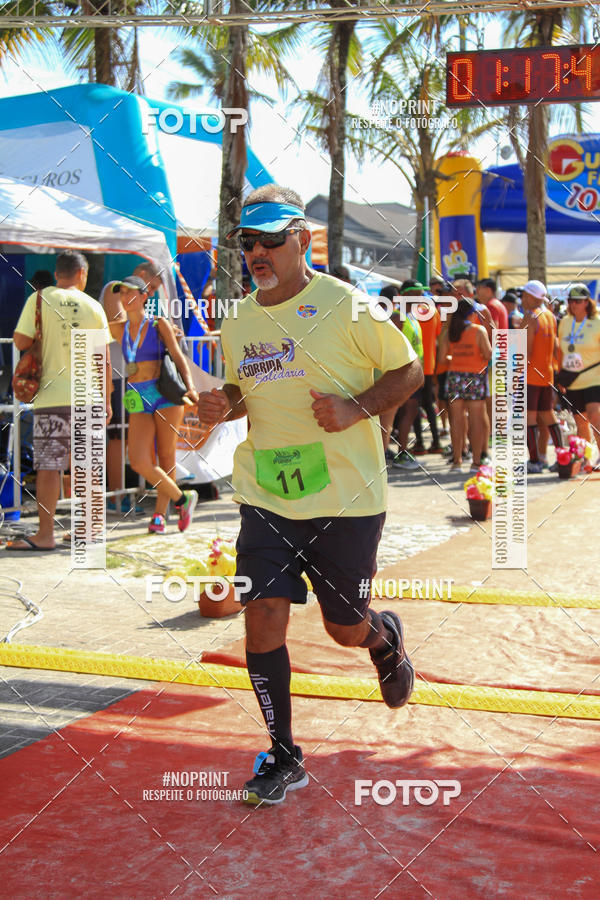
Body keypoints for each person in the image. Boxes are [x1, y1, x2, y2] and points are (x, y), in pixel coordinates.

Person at [197, 184, 423, 806]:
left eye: (272, 239)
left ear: (303, 239)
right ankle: (283, 754)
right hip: (267, 492)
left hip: (347, 496)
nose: (259, 252)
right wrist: (225, 403)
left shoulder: (348, 305)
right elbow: (245, 390)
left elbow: (410, 369)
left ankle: (383, 638)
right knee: (263, 616)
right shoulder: (239, 316)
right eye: (249, 242)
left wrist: (356, 407)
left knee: (342, 628)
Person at [9, 251, 112, 551]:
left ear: (58, 274)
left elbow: (20, 341)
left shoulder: (39, 299)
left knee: (49, 467)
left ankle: (45, 535)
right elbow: (102, 359)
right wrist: (105, 401)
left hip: (52, 397)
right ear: (82, 274)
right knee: (87, 466)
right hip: (89, 397)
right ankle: (89, 531)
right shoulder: (93, 306)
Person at [108, 274, 199, 534]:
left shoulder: (159, 324)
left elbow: (179, 357)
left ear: (145, 296)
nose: (126, 298)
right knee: (138, 460)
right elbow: (90, 330)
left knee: (166, 456)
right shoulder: (118, 327)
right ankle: (182, 499)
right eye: (122, 293)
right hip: (138, 394)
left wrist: (191, 386)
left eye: (131, 293)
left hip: (165, 392)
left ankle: (160, 514)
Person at [99, 262, 164, 514]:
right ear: (142, 275)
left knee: (127, 436)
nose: (153, 293)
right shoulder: (115, 289)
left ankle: (121, 494)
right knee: (117, 437)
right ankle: (115, 496)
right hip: (114, 374)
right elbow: (119, 323)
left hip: (130, 376)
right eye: (153, 286)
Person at [439, 298, 492, 470]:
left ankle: (457, 460)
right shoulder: (478, 331)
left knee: (456, 420)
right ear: (471, 314)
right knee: (476, 419)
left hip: (455, 377)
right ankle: (476, 461)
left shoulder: (449, 332)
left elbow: (442, 358)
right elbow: (488, 354)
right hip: (475, 377)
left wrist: (456, 358)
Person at [518, 279, 564, 474]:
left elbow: (524, 349)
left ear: (530, 296)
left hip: (530, 375)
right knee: (548, 415)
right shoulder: (550, 316)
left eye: (523, 295)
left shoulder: (530, 317)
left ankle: (535, 460)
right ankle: (563, 456)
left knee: (530, 418)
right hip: (547, 374)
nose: (522, 298)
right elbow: (557, 348)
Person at [378, 285, 423, 470]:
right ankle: (380, 462)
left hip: (411, 375)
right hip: (399, 374)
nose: (420, 298)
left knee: (408, 413)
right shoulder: (397, 317)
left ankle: (401, 452)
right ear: (405, 296)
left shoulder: (412, 317)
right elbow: (388, 347)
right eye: (416, 295)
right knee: (387, 420)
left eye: (421, 295)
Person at [557, 283, 600, 462]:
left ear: (587, 303)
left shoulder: (596, 322)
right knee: (580, 421)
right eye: (571, 301)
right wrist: (560, 376)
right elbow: (561, 350)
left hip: (594, 378)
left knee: (595, 416)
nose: (574, 304)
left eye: (578, 301)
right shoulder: (565, 322)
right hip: (573, 379)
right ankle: (587, 458)